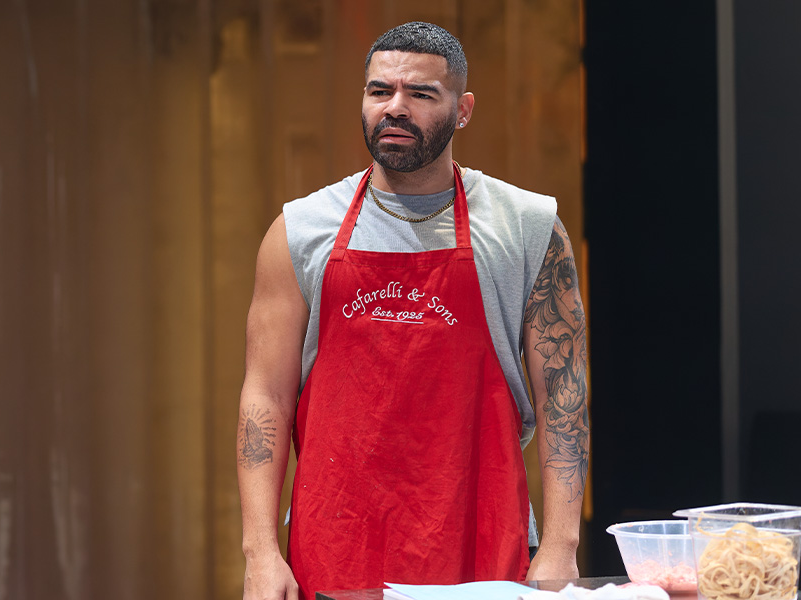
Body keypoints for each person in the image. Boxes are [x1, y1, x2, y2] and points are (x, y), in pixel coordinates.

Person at [237, 22, 590, 600]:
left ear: (463, 109)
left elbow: (565, 397)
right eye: (380, 91)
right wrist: (259, 553)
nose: (395, 108)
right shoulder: (300, 229)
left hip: (482, 539)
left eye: (421, 94)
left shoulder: (529, 228)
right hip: (334, 545)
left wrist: (559, 547)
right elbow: (265, 396)